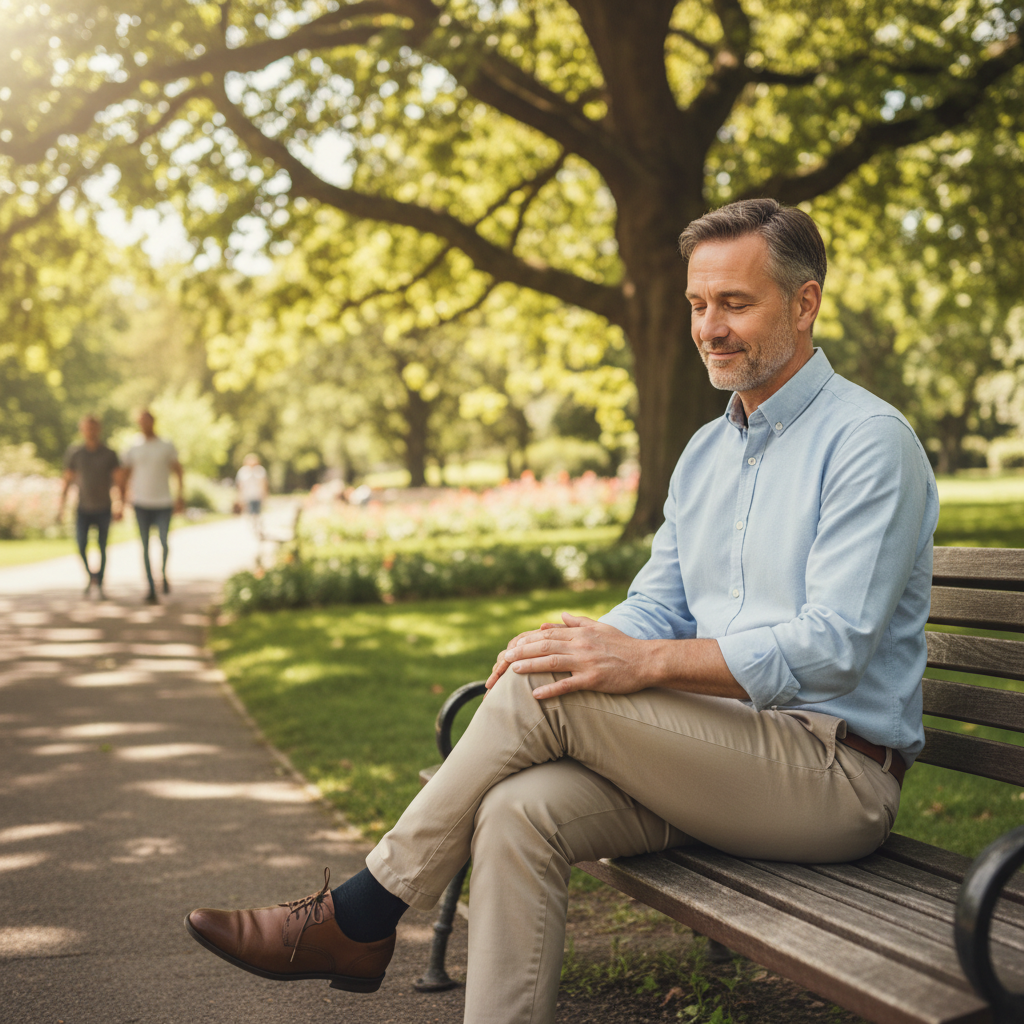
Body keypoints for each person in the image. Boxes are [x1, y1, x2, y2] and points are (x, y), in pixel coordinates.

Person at [184, 199, 939, 1024]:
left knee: (557, 692)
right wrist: (584, 640)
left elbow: (834, 646)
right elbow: (659, 603)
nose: (709, 328)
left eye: (735, 303)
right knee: (517, 811)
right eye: (697, 304)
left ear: (805, 303)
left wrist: (637, 664)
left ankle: (361, 915)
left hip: (834, 777)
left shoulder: (869, 440)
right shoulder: (707, 450)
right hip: (724, 761)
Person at [121, 410, 184, 604]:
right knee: (145, 546)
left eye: (147, 421)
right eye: (141, 422)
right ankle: (150, 586)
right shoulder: (133, 446)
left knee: (164, 543)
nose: (144, 425)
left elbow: (178, 470)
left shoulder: (166, 445)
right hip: (141, 503)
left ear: (153, 422)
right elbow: (125, 474)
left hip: (163, 502)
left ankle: (163, 574)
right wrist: (122, 499)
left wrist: (180, 496)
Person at [59, 415, 123, 598]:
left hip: (104, 507)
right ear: (82, 430)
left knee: (102, 547)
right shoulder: (75, 453)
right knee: (81, 544)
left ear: (99, 429)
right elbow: (68, 479)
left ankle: (100, 583)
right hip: (83, 508)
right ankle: (91, 576)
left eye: (93, 428)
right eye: (87, 428)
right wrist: (61, 506)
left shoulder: (109, 454)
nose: (90, 431)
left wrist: (121, 504)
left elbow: (119, 481)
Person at [235, 453, 268, 534]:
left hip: (257, 495)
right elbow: (239, 485)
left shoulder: (260, 470)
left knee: (257, 512)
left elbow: (264, 483)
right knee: (249, 512)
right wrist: (239, 496)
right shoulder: (243, 471)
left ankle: (257, 526)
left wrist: (265, 494)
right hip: (247, 495)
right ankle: (253, 527)